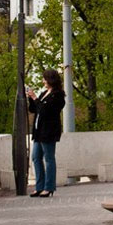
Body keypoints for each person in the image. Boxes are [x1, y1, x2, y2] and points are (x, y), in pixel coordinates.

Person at [27, 69, 66, 198]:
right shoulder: (44, 93)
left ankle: (49, 187)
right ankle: (39, 186)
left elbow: (45, 110)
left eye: (45, 79)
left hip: (48, 131)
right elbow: (35, 109)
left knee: (49, 158)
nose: (43, 81)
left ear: (50, 79)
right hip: (39, 131)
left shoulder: (58, 95)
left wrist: (35, 98)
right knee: (36, 158)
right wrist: (31, 99)